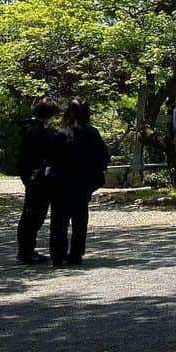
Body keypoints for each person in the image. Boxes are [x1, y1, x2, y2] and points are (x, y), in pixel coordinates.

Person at [48, 99, 110, 267]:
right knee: (80, 220)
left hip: (61, 182)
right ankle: (76, 254)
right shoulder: (92, 133)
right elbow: (104, 156)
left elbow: (51, 158)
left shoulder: (61, 133)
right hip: (83, 183)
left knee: (59, 220)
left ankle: (57, 255)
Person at [17, 97, 60, 264]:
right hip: (38, 178)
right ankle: (26, 251)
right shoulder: (40, 132)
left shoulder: (31, 129)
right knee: (34, 214)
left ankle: (26, 249)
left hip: (31, 176)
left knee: (31, 213)